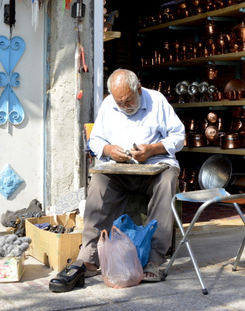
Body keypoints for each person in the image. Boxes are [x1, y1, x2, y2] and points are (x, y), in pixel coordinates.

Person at [78, 68, 185, 282]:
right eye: (120, 103)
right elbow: (96, 141)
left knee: (167, 180)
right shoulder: (109, 105)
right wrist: (109, 151)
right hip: (120, 170)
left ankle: (153, 260)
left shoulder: (157, 100)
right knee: (99, 182)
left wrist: (152, 150)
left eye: (128, 101)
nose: (125, 107)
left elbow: (179, 137)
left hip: (155, 168)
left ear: (138, 88)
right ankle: (89, 257)